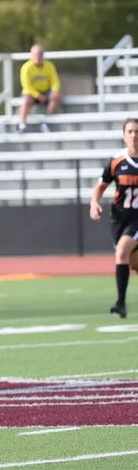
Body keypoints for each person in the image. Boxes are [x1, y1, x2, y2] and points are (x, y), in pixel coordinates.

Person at [90, 118, 138, 319]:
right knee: (134, 264)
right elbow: (100, 186)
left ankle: (120, 303)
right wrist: (94, 203)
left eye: (137, 131)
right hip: (119, 219)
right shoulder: (116, 161)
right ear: (124, 135)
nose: (134, 136)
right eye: (130, 131)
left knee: (120, 254)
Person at [17, 44, 61, 133]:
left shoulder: (49, 66)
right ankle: (22, 125)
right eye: (36, 54)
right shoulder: (26, 68)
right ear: (32, 55)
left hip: (46, 91)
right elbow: (26, 86)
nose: (38, 56)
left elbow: (55, 81)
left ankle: (46, 122)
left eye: (40, 54)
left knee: (56, 96)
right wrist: (37, 95)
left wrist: (55, 90)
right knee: (26, 100)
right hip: (32, 93)